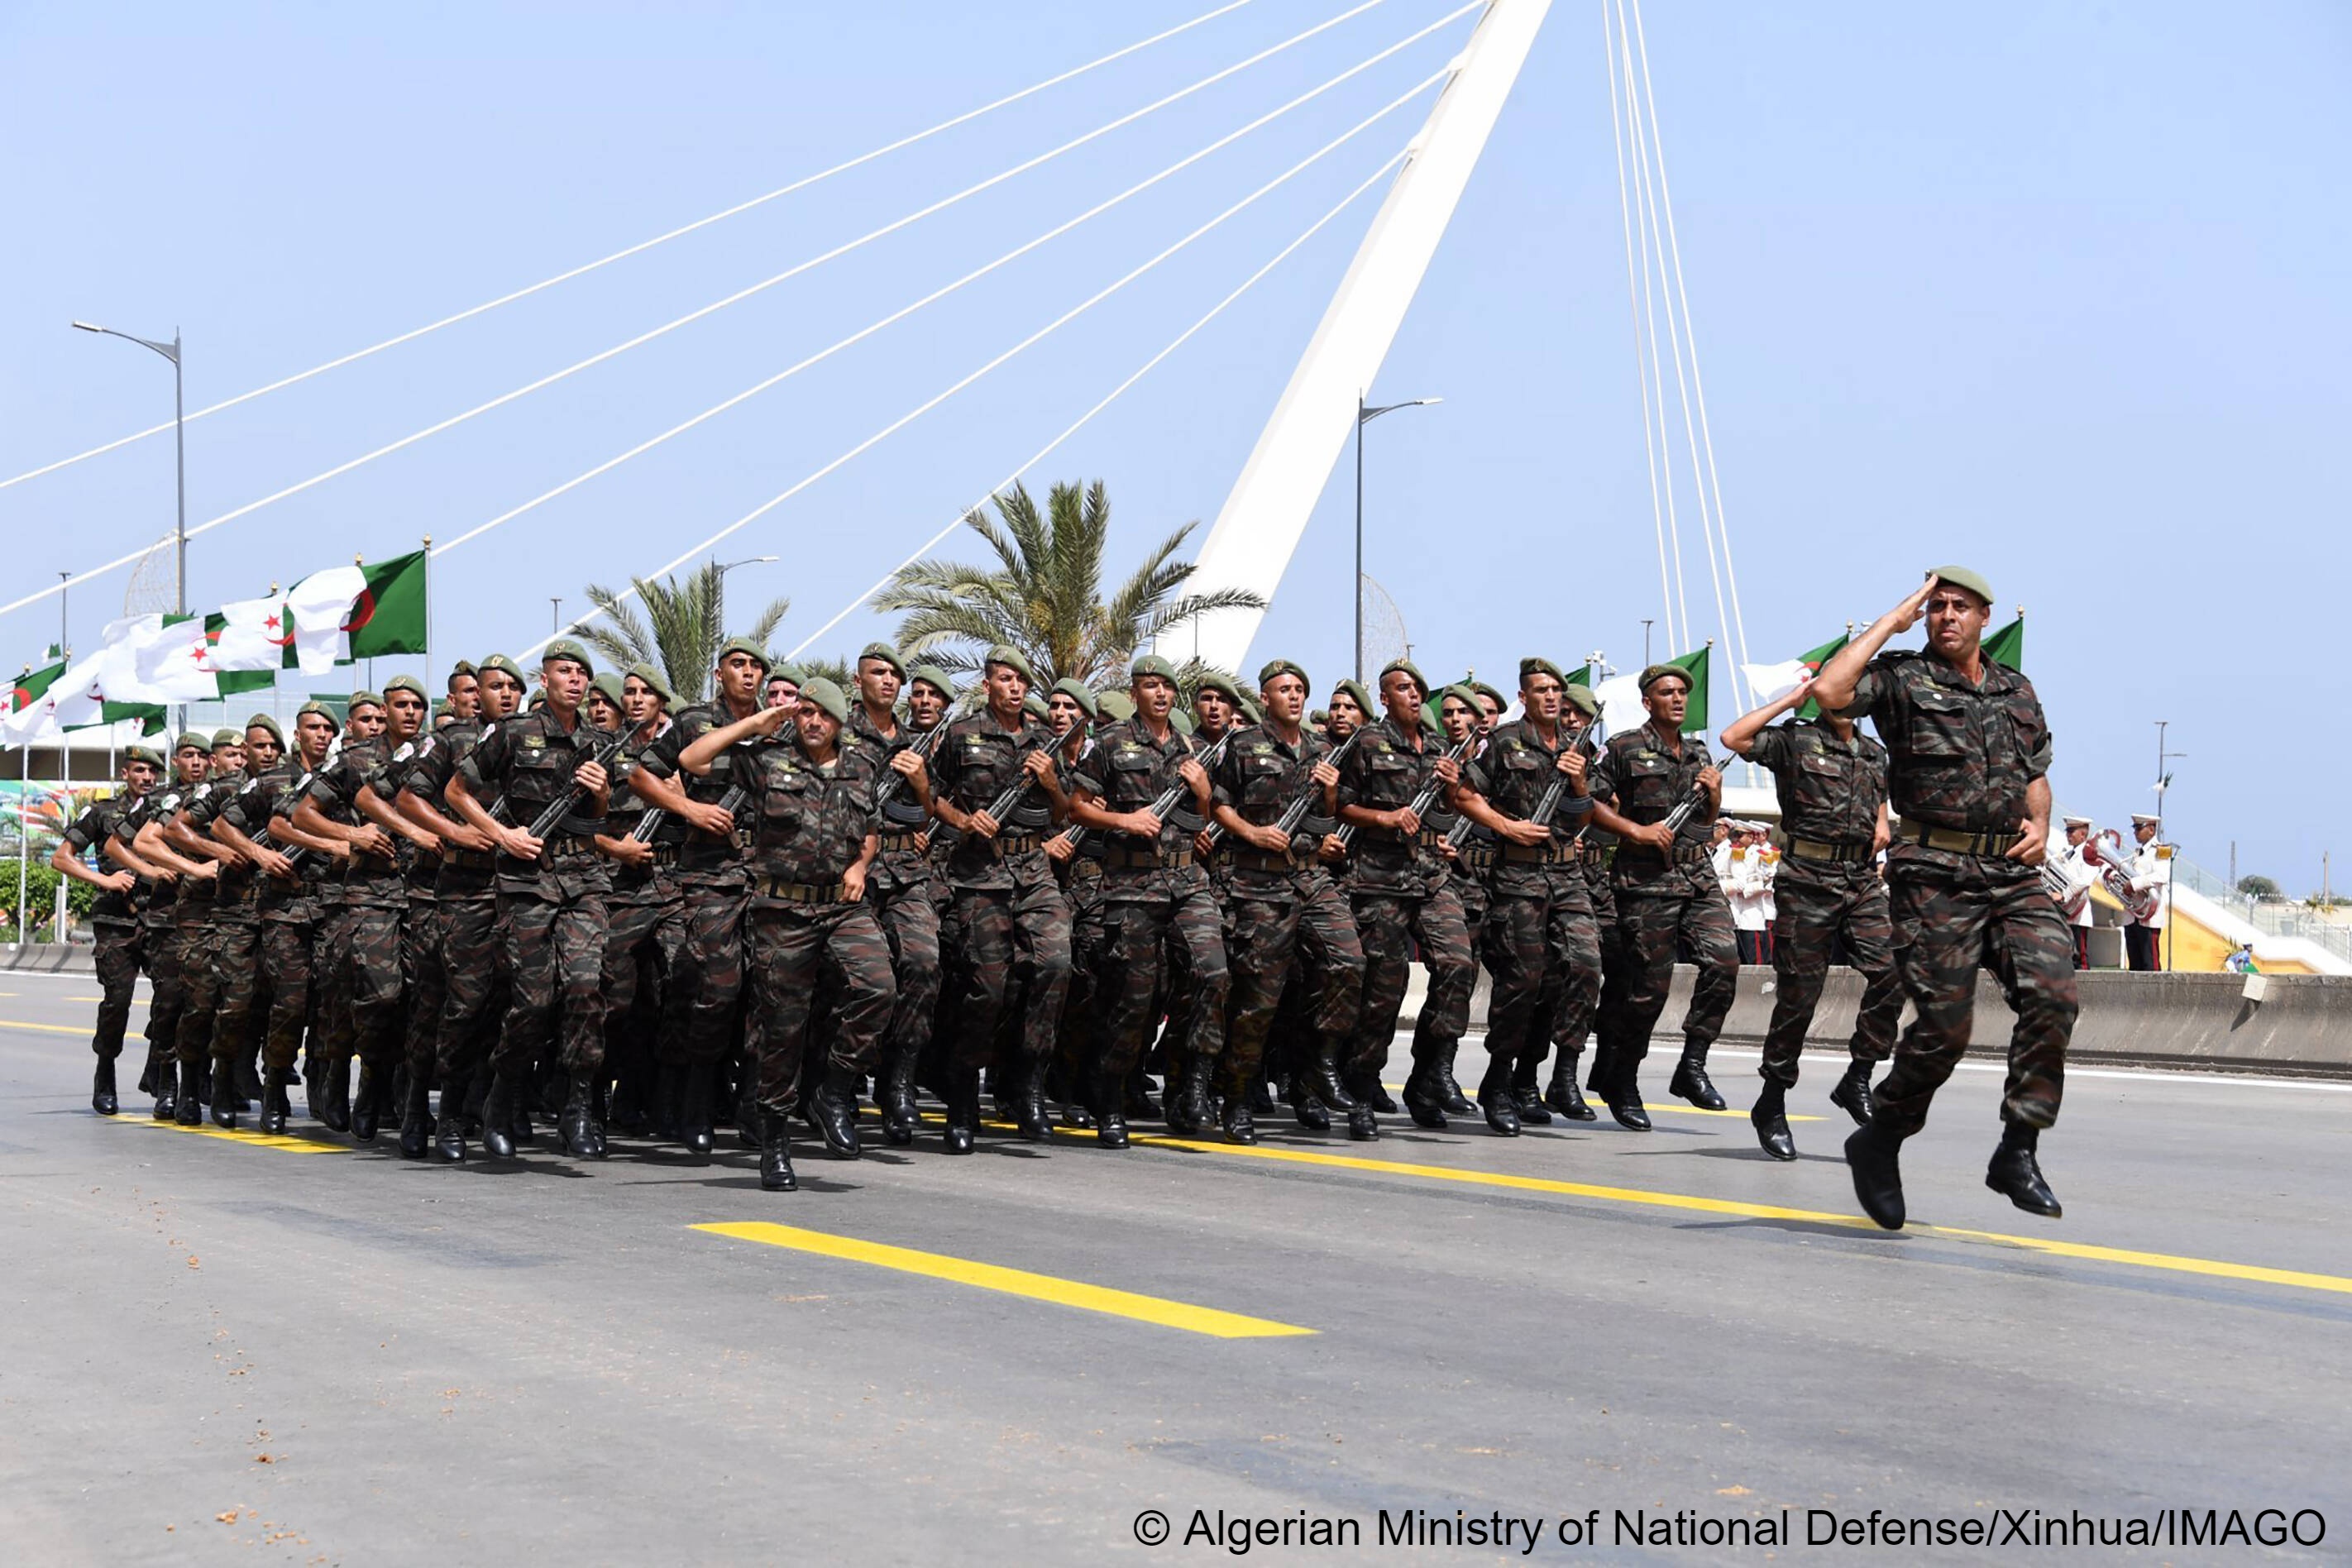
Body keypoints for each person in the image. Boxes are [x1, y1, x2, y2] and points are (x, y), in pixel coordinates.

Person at [1811, 567, 2076, 1229]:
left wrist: (2041, 824)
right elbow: (1829, 689)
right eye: (1936, 608)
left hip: (2011, 877)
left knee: (2054, 996)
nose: (1946, 617)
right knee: (1944, 1032)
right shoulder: (1902, 677)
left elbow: (2035, 771)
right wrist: (1893, 620)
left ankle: (2017, 1150)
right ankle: (1882, 1138)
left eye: (1959, 607)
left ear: (1985, 616)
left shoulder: (2016, 687)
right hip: (1935, 873)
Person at [677, 676, 893, 1191]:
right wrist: (755, 722)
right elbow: (691, 760)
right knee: (782, 1031)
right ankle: (775, 1141)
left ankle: (835, 1087)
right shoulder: (767, 758)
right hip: (783, 911)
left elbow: (869, 831)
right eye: (806, 712)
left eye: (823, 714)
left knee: (879, 988)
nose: (813, 721)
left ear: (840, 721)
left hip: (841, 907)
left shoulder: (863, 765)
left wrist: (861, 866)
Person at [446, 639, 615, 1163]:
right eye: (564, 671)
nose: (575, 680)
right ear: (545, 680)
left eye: (582, 674)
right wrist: (503, 835)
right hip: (527, 882)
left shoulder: (597, 740)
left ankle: (578, 1105)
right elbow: (457, 793)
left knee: (587, 988)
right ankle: (501, 1098)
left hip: (583, 878)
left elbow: (600, 822)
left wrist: (603, 791)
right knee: (533, 1003)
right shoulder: (515, 734)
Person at [1720, 677, 1901, 1159]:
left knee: (1894, 970)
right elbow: (1733, 738)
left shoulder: (1873, 750)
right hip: (1807, 877)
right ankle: (1772, 1099)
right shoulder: (1794, 738)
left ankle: (1858, 1075)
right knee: (1801, 996)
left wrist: (1881, 819)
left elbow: (1878, 793)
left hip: (1861, 878)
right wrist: (1788, 701)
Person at [1067, 654, 1227, 1145]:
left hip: (1188, 884)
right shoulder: (1110, 744)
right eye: (1149, 685)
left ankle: (1190, 1089)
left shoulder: (1194, 748)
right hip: (1133, 887)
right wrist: (1125, 820)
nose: (1159, 693)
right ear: (1134, 692)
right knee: (1132, 1002)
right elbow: (1076, 806)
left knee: (1211, 974)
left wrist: (1202, 795)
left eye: (1166, 687)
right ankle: (1110, 1097)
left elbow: (1202, 821)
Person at [626, 638, 772, 1156]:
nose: (748, 674)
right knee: (718, 988)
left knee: (768, 991)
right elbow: (637, 773)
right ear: (719, 673)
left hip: (770, 874)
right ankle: (695, 1098)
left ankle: (756, 1105)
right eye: (739, 665)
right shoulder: (693, 722)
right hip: (711, 872)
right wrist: (689, 812)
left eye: (756, 666)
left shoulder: (780, 726)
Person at [925, 645, 1073, 1151]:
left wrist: (1052, 782)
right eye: (1006, 679)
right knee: (987, 988)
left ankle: (1027, 1080)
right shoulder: (961, 734)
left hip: (1033, 869)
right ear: (987, 684)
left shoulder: (1043, 741)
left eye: (1022, 682)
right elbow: (931, 794)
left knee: (1056, 964)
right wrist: (964, 821)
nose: (1015, 688)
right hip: (979, 874)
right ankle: (963, 1091)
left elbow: (1066, 811)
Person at [1208, 659, 1360, 1143]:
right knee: (1259, 1000)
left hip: (1310, 877)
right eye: (1283, 689)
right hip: (1259, 883)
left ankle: (1318, 1065)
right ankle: (1235, 1096)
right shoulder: (1243, 745)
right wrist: (1253, 832)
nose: (1293, 697)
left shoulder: (1323, 750)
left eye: (1299, 689)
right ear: (1266, 697)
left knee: (1349, 962)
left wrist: (1333, 798)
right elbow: (1218, 805)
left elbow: (1326, 819)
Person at [1450, 660, 1600, 1135]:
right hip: (1517, 873)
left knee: (1585, 966)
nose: (1552, 697)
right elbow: (1464, 795)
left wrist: (1578, 783)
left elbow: (1580, 817)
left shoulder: (1580, 747)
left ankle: (1562, 1074)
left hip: (1566, 872)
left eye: (1557, 689)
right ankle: (1498, 1081)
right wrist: (1506, 825)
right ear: (1525, 696)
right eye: (1541, 690)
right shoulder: (1504, 741)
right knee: (1523, 982)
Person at [1584, 666, 1737, 1126]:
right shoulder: (1623, 747)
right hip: (1645, 882)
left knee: (1725, 964)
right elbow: (1585, 802)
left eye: (1681, 693)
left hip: (1696, 874)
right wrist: (1636, 830)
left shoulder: (1697, 752)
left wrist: (1713, 797)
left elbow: (1705, 827)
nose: (1677, 699)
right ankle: (1623, 1079)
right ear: (1648, 702)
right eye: (1666, 693)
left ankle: (1692, 1066)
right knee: (1648, 989)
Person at [1333, 659, 1474, 1140]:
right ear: (1386, 695)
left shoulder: (1438, 747)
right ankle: (1361, 1086)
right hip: (1380, 876)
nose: (1413, 695)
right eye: (1403, 688)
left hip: (1431, 875)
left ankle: (1427, 1076)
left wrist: (1453, 786)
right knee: (1382, 993)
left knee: (1458, 965)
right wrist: (1385, 818)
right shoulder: (1368, 742)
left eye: (1418, 688)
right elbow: (1341, 805)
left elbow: (1450, 808)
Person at [844, 643, 944, 1148]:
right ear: (858, 681)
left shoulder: (916, 742)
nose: (887, 680)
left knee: (924, 963)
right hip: (849, 868)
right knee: (853, 980)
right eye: (877, 672)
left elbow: (930, 813)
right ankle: (839, 1085)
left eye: (893, 675)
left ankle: (897, 1081)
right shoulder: (838, 735)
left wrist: (923, 783)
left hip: (905, 870)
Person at [53, 745, 164, 1116]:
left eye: (153, 772)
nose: (147, 778)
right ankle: (106, 1071)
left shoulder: (166, 807)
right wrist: (105, 879)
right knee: (118, 1001)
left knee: (175, 996)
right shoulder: (102, 812)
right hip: (117, 921)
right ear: (125, 774)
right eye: (140, 771)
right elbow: (61, 858)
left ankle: (160, 1068)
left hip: (163, 916)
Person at [2047, 816, 2096, 968]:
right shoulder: (2067, 854)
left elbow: (2085, 880)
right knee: (2064, 957)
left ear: (2083, 835)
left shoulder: (2089, 854)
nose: (2068, 834)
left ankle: (2086, 991)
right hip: (2065, 913)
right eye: (2067, 831)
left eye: (2071, 831)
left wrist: (2064, 895)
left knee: (2080, 957)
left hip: (2078, 915)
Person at [2124, 813, 2169, 971]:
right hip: (2132, 915)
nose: (2135, 832)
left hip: (2150, 916)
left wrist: (2134, 884)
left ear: (2151, 829)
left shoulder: (2163, 850)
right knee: (2135, 966)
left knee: (2150, 964)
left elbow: (2162, 876)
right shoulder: (2136, 853)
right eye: (2134, 828)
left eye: (2139, 828)